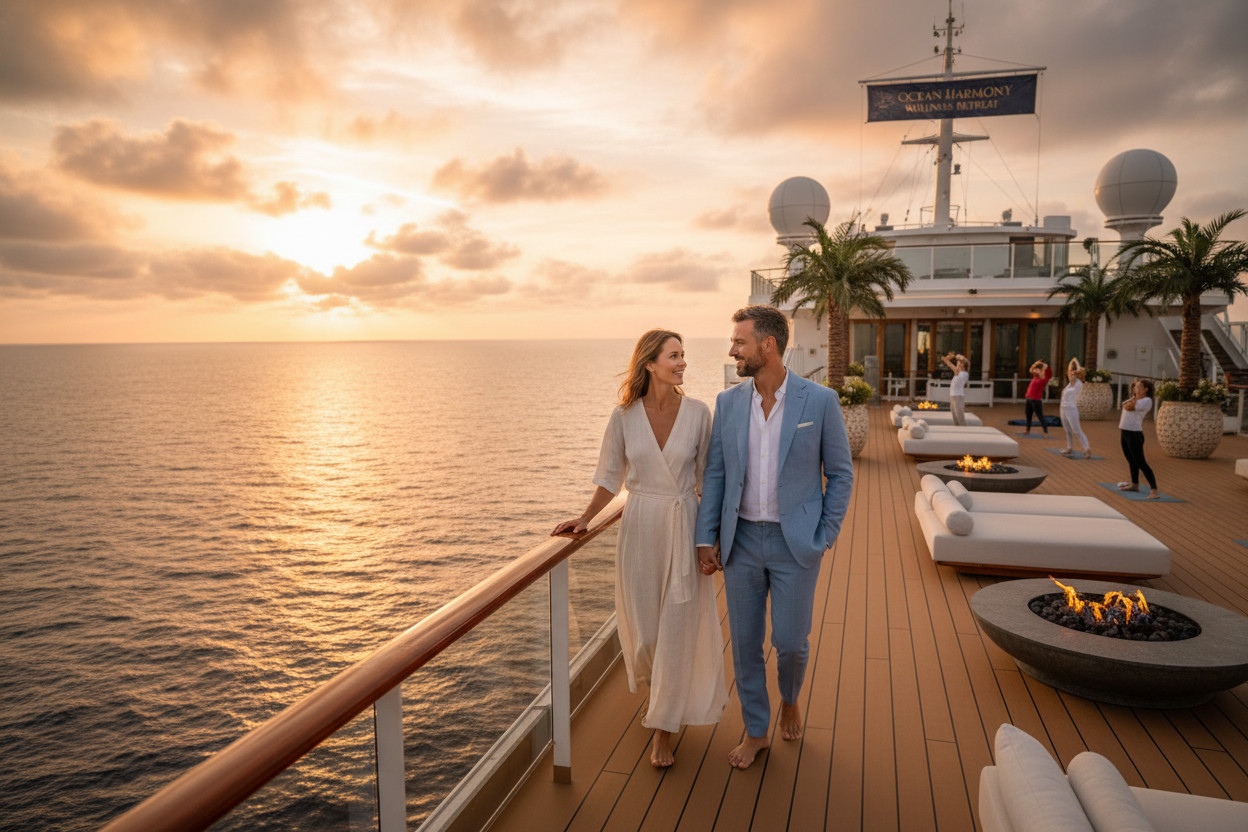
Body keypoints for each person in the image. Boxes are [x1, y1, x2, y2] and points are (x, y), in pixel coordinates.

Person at [552, 330, 726, 768]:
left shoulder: (700, 414)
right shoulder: (624, 416)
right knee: (646, 633)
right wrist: (586, 518)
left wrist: (710, 539)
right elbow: (610, 476)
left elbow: (708, 481)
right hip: (640, 529)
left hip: (683, 525)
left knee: (677, 628)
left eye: (683, 354)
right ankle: (661, 697)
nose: (683, 362)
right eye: (674, 355)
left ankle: (663, 730)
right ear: (650, 363)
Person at [694, 305, 854, 770]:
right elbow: (717, 474)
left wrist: (825, 532)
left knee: (790, 642)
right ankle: (757, 730)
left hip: (795, 543)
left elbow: (840, 474)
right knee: (744, 644)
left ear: (767, 345)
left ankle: (789, 697)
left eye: (739, 342)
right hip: (740, 541)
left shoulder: (819, 401)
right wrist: (708, 537)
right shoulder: (728, 403)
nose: (732, 350)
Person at [1118, 378, 1160, 500]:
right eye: (1135, 386)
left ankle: (1154, 490)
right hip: (1125, 431)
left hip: (1134, 434)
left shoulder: (1147, 401)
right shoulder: (1136, 400)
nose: (1135, 389)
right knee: (1131, 460)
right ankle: (1134, 484)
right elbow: (1124, 404)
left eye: (1138, 387)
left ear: (1145, 389)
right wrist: (1133, 399)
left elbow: (1128, 407)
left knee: (1141, 462)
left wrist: (1133, 399)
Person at [1059, 358, 1092, 458]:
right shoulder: (1069, 385)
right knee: (1067, 430)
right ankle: (1069, 447)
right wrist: (1071, 364)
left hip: (1071, 410)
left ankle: (1087, 450)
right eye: (1070, 375)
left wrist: (1075, 362)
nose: (1071, 376)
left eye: (1073, 374)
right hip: (1063, 409)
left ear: (1076, 374)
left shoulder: (1078, 384)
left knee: (1077, 430)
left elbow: (1080, 370)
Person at [1023, 358, 1052, 436]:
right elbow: (1031, 369)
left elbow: (1049, 374)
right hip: (1029, 398)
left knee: (1040, 415)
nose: (1035, 371)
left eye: (1037, 370)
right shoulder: (1035, 376)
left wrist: (1046, 367)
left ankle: (1045, 431)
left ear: (1041, 371)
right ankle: (1027, 429)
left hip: (1036, 399)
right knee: (1028, 414)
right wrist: (1037, 363)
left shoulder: (1043, 379)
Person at [941, 352, 970, 426]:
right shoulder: (957, 373)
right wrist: (948, 357)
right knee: (955, 419)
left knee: (960, 418)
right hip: (953, 396)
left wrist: (948, 359)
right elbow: (944, 360)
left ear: (962, 365)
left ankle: (966, 434)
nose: (957, 365)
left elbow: (950, 365)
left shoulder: (963, 374)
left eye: (958, 363)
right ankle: (959, 435)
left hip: (958, 397)